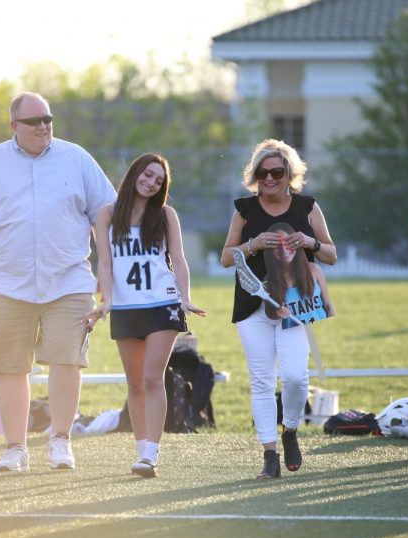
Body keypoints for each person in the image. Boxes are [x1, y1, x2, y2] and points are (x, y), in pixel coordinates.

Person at [0, 91, 117, 472]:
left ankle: (60, 441)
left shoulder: (77, 159)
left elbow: (103, 218)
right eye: (34, 121)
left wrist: (106, 274)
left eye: (48, 119)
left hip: (69, 280)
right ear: (14, 126)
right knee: (11, 368)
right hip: (3, 284)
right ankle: (15, 448)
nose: (43, 127)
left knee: (67, 361)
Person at [82, 153, 205, 478]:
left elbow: (178, 261)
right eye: (148, 175)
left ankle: (152, 454)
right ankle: (141, 453)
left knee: (152, 377)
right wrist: (105, 301)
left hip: (161, 304)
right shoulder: (107, 214)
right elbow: (105, 263)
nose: (151, 183)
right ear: (136, 173)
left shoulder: (165, 215)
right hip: (125, 307)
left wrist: (185, 297)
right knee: (135, 383)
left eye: (159, 180)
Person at [220, 139, 337, 479]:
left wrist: (310, 242)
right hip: (252, 304)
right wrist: (252, 245)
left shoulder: (307, 207)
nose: (269, 178)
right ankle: (269, 455)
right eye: (262, 172)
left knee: (297, 378)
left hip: (294, 304)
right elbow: (227, 258)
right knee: (261, 381)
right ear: (254, 175)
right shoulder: (244, 209)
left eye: (276, 172)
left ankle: (290, 430)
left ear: (290, 174)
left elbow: (330, 254)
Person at [264, 221, 334, 329]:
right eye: (277, 245)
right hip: (294, 338)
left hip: (321, 332)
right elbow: (270, 316)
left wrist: (331, 327)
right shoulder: (269, 281)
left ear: (296, 243)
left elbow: (328, 305)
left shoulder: (315, 270)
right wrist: (277, 313)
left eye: (288, 242)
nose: (283, 249)